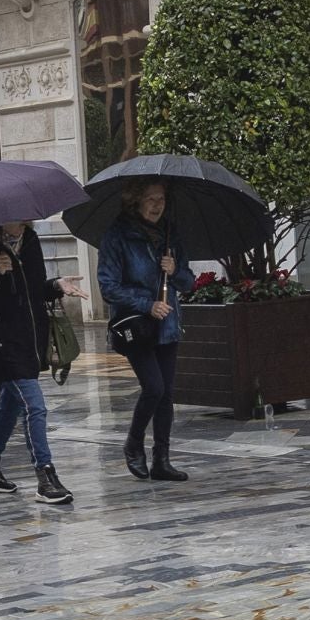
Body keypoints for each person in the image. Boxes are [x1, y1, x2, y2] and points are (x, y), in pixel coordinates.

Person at [0, 221, 91, 504]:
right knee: (34, 406)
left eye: (24, 216)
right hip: (1, 343)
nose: (20, 222)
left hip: (30, 341)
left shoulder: (30, 241)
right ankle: (45, 476)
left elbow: (32, 292)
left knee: (11, 404)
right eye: (14, 216)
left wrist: (56, 286)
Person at [99, 180, 195, 482]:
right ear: (136, 201)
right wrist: (147, 304)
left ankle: (161, 461)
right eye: (150, 199)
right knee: (153, 387)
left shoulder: (169, 233)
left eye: (161, 199)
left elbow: (188, 282)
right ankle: (133, 443)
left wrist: (174, 269)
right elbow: (108, 287)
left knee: (166, 394)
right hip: (136, 326)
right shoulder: (117, 236)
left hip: (166, 325)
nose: (157, 205)